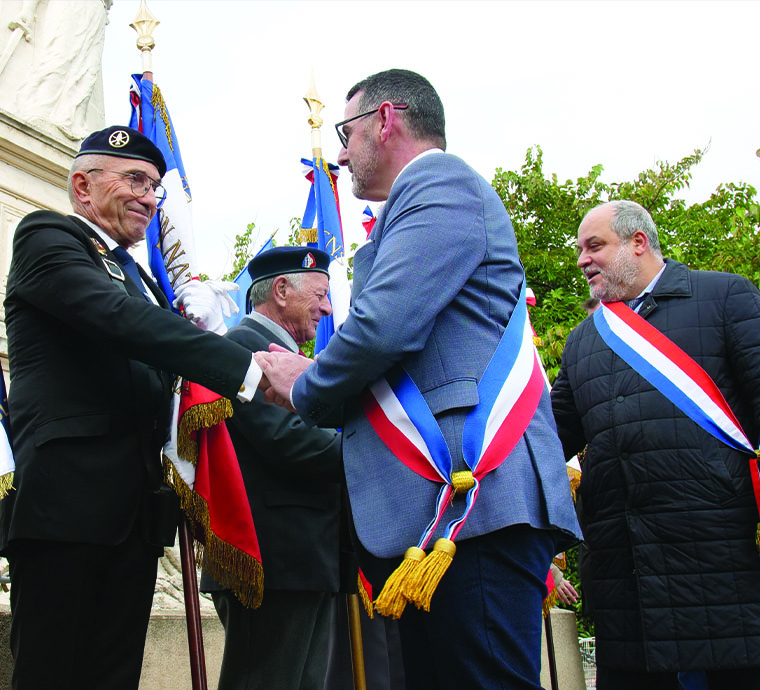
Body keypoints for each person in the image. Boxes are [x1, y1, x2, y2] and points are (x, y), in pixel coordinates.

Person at [256, 68, 581, 690]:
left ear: (386, 119)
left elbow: (383, 328)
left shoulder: (439, 182)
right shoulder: (420, 201)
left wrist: (305, 382)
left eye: (346, 133)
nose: (342, 153)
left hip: (470, 504)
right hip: (439, 511)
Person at [0, 125, 266, 690]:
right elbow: (120, 322)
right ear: (82, 186)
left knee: (112, 676)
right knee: (53, 674)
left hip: (136, 514)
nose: (149, 197)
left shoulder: (142, 279)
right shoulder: (48, 237)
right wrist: (244, 366)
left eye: (156, 187)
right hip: (67, 505)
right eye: (136, 180)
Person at [551, 200, 760, 689]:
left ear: (638, 242)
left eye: (594, 245)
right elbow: (546, 436)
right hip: (624, 580)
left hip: (720, 568)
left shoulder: (725, 297)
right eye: (579, 249)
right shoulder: (584, 341)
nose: (582, 259)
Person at [200, 246, 346, 690]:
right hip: (269, 561)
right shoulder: (241, 349)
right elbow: (287, 441)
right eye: (319, 294)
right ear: (281, 290)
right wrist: (373, 444)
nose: (327, 307)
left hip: (303, 560)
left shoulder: (293, 360)